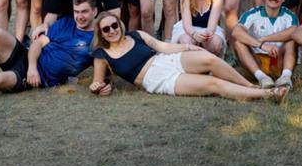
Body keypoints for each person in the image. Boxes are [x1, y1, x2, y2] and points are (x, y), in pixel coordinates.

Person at [89, 13, 287, 101]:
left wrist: (189, 48)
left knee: (210, 58)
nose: (112, 30)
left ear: (119, 25)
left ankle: (250, 86)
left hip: (165, 60)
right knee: (213, 84)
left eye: (114, 25)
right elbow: (97, 82)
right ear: (101, 33)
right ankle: (267, 95)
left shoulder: (135, 35)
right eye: (106, 29)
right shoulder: (102, 55)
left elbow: (162, 46)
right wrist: (98, 88)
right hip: (157, 80)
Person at [232, 0, 298, 89]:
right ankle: (262, 78)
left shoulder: (290, 15)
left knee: (291, 40)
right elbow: (236, 32)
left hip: (279, 60)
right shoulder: (253, 13)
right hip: (256, 61)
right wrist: (261, 45)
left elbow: (294, 32)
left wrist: (265, 38)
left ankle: (286, 77)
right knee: (239, 43)